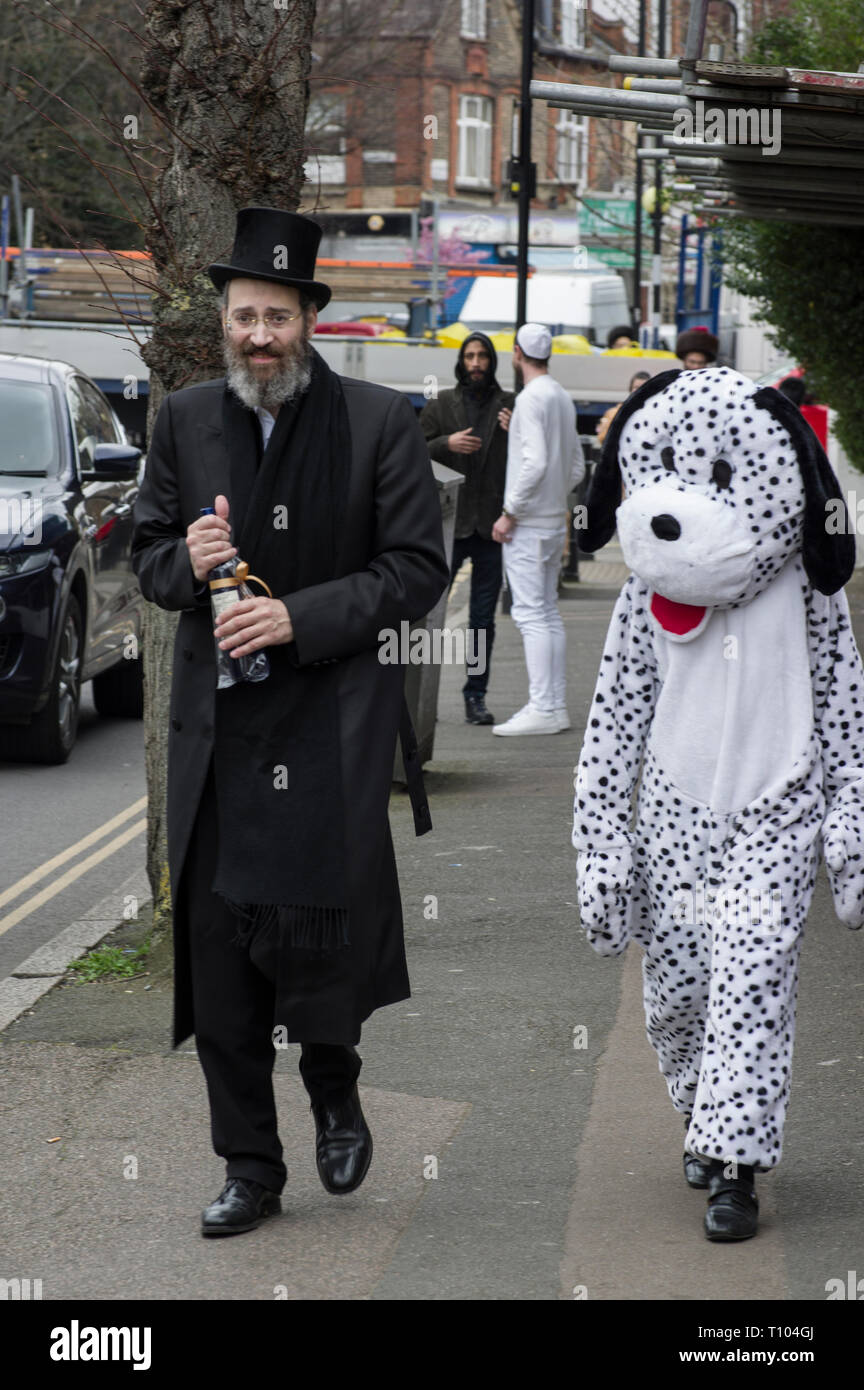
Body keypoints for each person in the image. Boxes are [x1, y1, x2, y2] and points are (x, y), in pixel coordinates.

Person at [131, 206, 449, 1237]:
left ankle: (333, 1081)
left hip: (328, 723)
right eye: (242, 316)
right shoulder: (182, 420)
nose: (258, 336)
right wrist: (191, 561)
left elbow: (415, 570)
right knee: (221, 956)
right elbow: (144, 559)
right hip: (222, 734)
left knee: (318, 942)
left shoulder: (376, 421)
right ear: (222, 321)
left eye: (276, 315)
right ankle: (249, 1166)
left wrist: (296, 616)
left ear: (310, 317)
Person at [490, 322, 585, 736]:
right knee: (547, 613)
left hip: (528, 525)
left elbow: (537, 463)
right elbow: (576, 466)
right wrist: (550, 500)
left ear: (516, 353)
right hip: (551, 522)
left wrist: (510, 511)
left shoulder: (530, 399)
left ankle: (544, 708)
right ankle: (553, 705)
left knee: (530, 615)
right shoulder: (561, 396)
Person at [419, 332, 514, 725]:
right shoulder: (441, 403)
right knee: (430, 613)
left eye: (482, 357)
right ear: (461, 362)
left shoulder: (511, 405)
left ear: (492, 362)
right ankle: (422, 699)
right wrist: (445, 443)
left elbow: (532, 456)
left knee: (481, 620)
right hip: (450, 525)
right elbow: (411, 449)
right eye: (469, 356)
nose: (476, 363)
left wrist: (519, 431)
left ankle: (475, 697)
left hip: (492, 526)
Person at [595, 370, 651, 447]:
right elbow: (603, 439)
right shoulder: (614, 413)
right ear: (630, 389)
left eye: (643, 387)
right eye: (636, 387)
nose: (639, 390)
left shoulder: (655, 415)